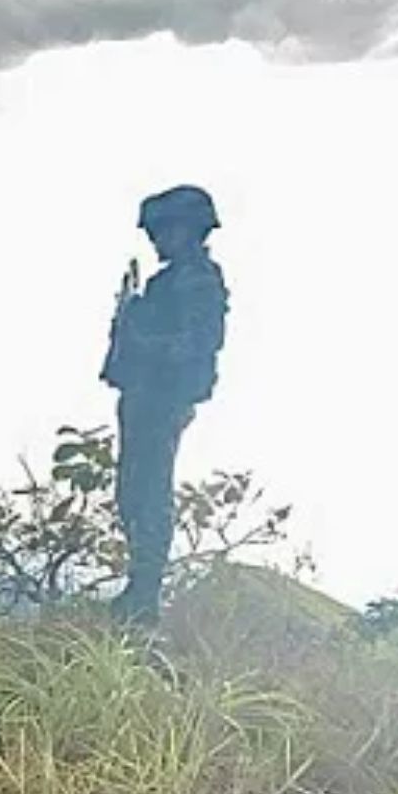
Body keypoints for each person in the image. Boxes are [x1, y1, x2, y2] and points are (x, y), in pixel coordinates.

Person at [99, 184, 230, 625]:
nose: (156, 240)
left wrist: (136, 332)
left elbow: (196, 344)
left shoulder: (198, 281)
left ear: (187, 230)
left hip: (161, 396)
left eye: (162, 230)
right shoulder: (172, 281)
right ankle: (139, 592)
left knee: (147, 493)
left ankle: (144, 599)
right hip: (147, 393)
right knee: (134, 492)